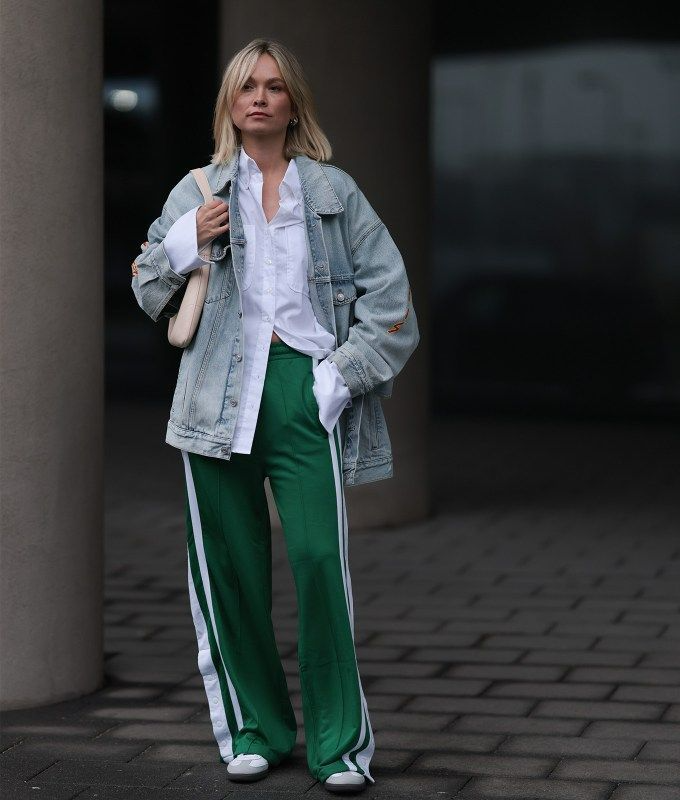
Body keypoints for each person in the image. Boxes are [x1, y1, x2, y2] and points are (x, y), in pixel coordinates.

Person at [131, 37, 419, 794]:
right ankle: (256, 728)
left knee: (321, 562)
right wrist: (183, 244)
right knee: (227, 570)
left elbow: (392, 303)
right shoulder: (196, 191)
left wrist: (340, 378)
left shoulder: (333, 191)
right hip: (214, 398)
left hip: (302, 388)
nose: (259, 97)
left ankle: (338, 746)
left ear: (293, 101)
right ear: (230, 101)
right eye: (246, 86)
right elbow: (146, 288)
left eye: (274, 86)